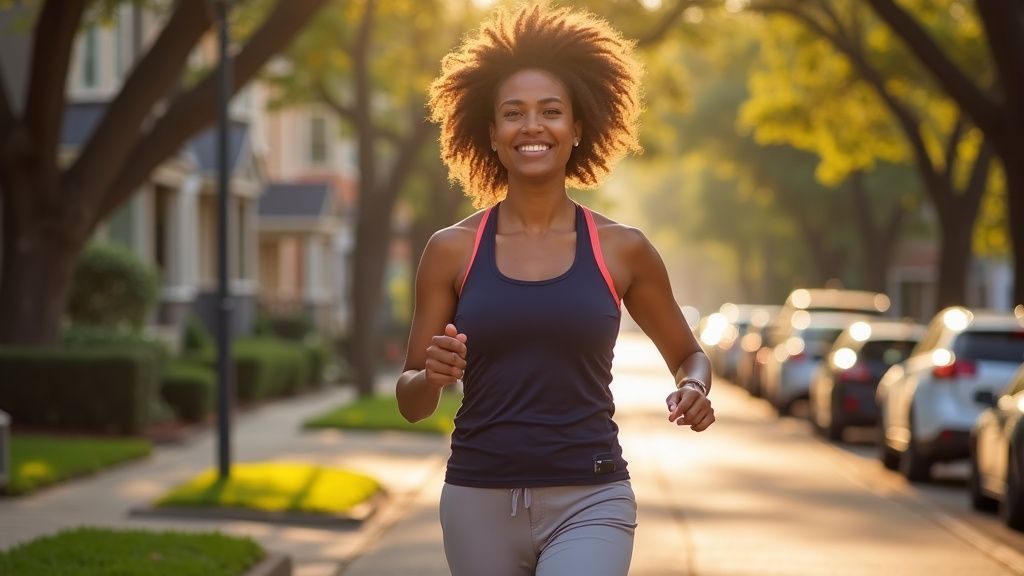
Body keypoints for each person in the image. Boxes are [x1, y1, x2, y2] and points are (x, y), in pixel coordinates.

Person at [396, 3, 715, 575]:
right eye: (513, 113)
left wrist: (692, 386)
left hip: (591, 496)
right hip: (477, 499)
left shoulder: (622, 249)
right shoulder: (451, 249)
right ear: (491, 134)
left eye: (551, 111)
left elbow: (688, 355)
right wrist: (433, 377)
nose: (532, 126)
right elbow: (410, 401)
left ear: (578, 129)